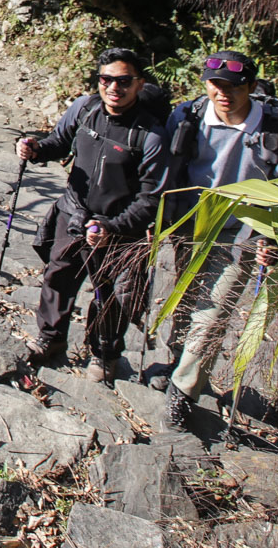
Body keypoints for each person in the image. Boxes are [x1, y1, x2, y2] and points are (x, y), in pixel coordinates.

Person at [157, 51, 278, 430]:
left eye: (234, 86)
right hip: (192, 224)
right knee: (187, 299)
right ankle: (179, 360)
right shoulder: (187, 117)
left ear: (251, 87)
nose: (223, 94)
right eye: (215, 85)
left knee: (214, 312)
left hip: (244, 233)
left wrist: (276, 236)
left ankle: (183, 391)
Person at [16, 47, 171, 382]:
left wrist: (111, 227)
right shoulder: (85, 109)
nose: (113, 87)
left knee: (111, 295)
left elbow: (151, 198)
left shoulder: (151, 135)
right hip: (73, 213)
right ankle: (51, 339)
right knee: (58, 276)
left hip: (119, 227)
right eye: (106, 79)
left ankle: (104, 354)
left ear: (139, 84)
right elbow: (59, 142)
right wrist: (36, 149)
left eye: (123, 81)